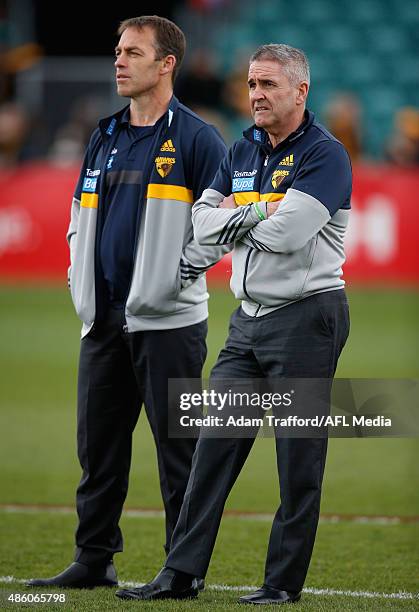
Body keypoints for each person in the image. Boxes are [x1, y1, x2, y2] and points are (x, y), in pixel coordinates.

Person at [116, 44, 352, 604]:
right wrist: (263, 212)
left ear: (301, 91)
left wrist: (236, 222)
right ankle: (180, 574)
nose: (256, 95)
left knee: (297, 460)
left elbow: (288, 235)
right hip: (246, 321)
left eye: (269, 85)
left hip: (307, 318)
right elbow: (200, 224)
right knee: (211, 451)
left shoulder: (326, 154)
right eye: (251, 84)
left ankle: (280, 584)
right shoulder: (242, 148)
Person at [27, 15, 227, 589]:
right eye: (117, 50)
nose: (118, 60)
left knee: (177, 453)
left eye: (132, 52)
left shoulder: (196, 137)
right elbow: (77, 217)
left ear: (166, 64)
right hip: (104, 321)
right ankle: (94, 559)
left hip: (169, 323)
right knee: (99, 450)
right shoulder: (105, 133)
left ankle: (181, 569)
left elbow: (219, 227)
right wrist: (77, 280)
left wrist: (176, 279)